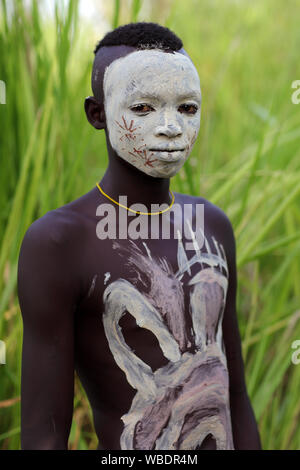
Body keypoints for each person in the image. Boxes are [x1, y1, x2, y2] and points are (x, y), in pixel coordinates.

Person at [17, 22, 261, 450]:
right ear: (97, 114)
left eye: (187, 108)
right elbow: (43, 434)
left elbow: (235, 395)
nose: (171, 127)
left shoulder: (211, 226)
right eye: (144, 108)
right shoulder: (59, 243)